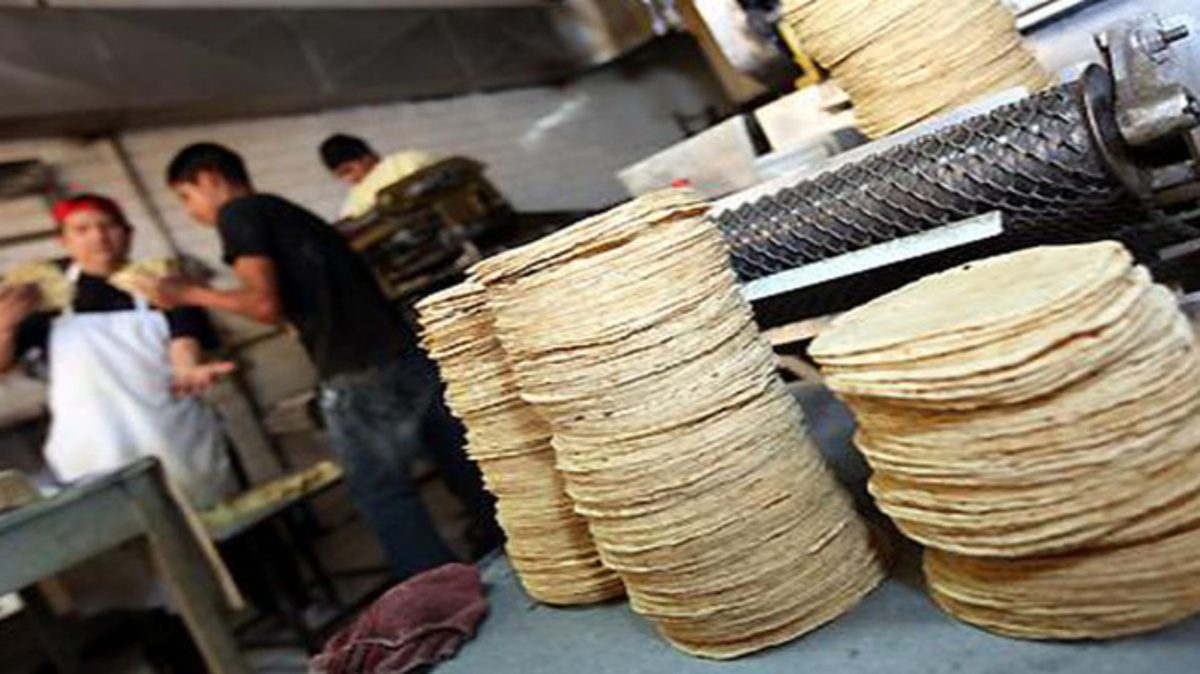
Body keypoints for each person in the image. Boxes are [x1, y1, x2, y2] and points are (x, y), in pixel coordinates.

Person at [149, 142, 500, 579]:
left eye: (186, 196)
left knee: (382, 494)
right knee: (463, 463)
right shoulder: (287, 211)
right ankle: (518, 551)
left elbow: (263, 305)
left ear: (209, 179)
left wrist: (187, 293)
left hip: (356, 370)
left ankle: (437, 592)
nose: (190, 211)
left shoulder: (238, 215)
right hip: (403, 352)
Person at [0, 193, 235, 508]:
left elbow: (184, 338)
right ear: (64, 240)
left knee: (212, 522)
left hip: (174, 437)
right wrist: (5, 327)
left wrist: (188, 370)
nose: (98, 237)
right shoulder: (45, 302)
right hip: (93, 450)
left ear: (128, 233)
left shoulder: (162, 285)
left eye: (108, 226)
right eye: (82, 230)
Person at [319, 133, 440, 221]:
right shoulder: (354, 198)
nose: (349, 179)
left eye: (348, 170)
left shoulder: (402, 162)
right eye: (341, 176)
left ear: (368, 157)